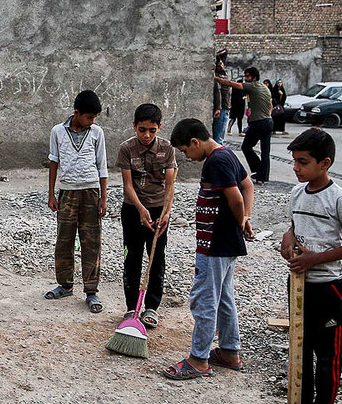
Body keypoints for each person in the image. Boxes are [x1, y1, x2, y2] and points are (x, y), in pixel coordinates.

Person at [280, 128, 342, 404]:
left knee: (327, 352)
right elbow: (293, 226)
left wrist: (313, 259)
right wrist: (287, 240)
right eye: (294, 161)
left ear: (324, 163)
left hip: (328, 287)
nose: (295, 168)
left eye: (302, 162)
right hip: (298, 285)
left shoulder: (340, 199)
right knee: (299, 345)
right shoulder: (296, 193)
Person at [162, 118, 254, 380]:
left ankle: (199, 358)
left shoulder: (216, 161)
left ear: (195, 142)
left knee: (205, 300)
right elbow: (248, 185)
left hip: (214, 244)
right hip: (224, 244)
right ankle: (229, 351)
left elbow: (236, 195)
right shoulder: (228, 154)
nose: (188, 157)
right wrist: (245, 218)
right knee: (224, 298)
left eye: (185, 151)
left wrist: (241, 218)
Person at [44, 90, 109, 313]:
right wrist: (52, 194)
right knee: (64, 239)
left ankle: (91, 290)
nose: (92, 121)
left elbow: (102, 166)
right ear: (77, 113)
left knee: (91, 241)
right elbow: (54, 162)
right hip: (67, 192)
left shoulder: (97, 133)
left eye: (94, 118)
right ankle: (65, 285)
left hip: (91, 192)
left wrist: (104, 197)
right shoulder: (58, 131)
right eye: (89, 117)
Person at [117, 103, 177, 329]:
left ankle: (151, 308)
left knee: (156, 258)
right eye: (142, 129)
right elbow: (128, 186)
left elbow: (170, 186)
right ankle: (132, 307)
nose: (147, 135)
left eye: (152, 130)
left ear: (159, 127)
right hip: (133, 210)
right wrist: (141, 209)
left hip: (159, 211)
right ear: (134, 126)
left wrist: (167, 213)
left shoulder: (167, 149)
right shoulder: (126, 149)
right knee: (131, 257)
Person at [216, 66, 273, 184]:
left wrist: (216, 78)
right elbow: (270, 104)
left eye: (247, 76)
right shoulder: (264, 87)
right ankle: (263, 177)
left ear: (254, 77)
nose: (245, 79)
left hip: (258, 123)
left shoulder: (252, 86)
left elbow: (232, 84)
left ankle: (258, 169)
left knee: (246, 147)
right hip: (268, 121)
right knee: (265, 151)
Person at [212, 51, 232, 143]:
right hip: (222, 109)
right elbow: (218, 91)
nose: (221, 64)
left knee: (219, 137)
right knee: (218, 139)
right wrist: (218, 108)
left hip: (225, 108)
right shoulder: (217, 76)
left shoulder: (223, 75)